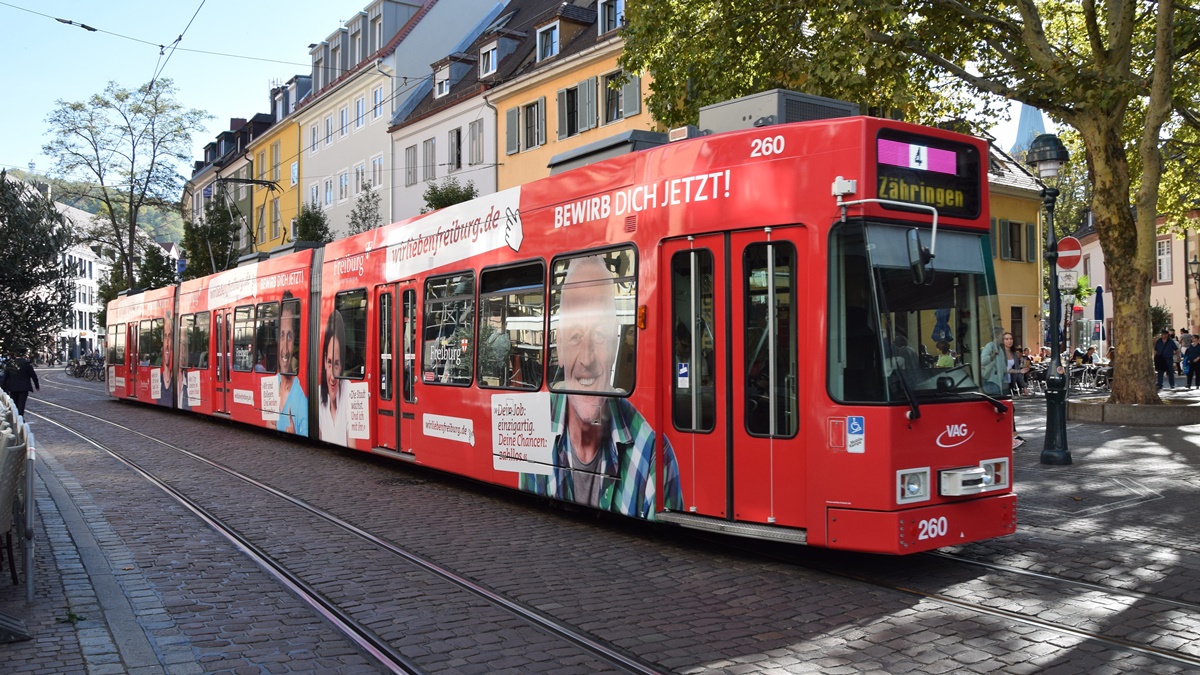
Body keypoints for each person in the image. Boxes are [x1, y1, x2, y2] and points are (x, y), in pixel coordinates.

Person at [520, 254, 683, 519]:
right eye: (575, 336)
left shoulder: (654, 456)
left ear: (614, 343)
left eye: (598, 334)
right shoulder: (532, 428)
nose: (587, 358)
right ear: (559, 347)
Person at [273, 293, 308, 435]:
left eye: (289, 337)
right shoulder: (271, 384)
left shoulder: (301, 401)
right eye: (282, 335)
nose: (285, 350)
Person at [319, 309, 348, 445]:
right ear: (325, 361)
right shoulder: (318, 398)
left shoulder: (348, 391)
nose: (332, 377)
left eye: (336, 364)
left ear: (342, 365)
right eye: (330, 362)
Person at [2, 348, 39, 418]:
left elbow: (5, 377)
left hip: (13, 387)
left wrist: (3, 388)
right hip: (24, 387)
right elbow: (33, 376)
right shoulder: (27, 364)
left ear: (15, 355)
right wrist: (37, 385)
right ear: (23, 355)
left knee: (14, 403)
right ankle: (20, 416)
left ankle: (15, 417)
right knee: (21, 403)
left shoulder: (10, 364)